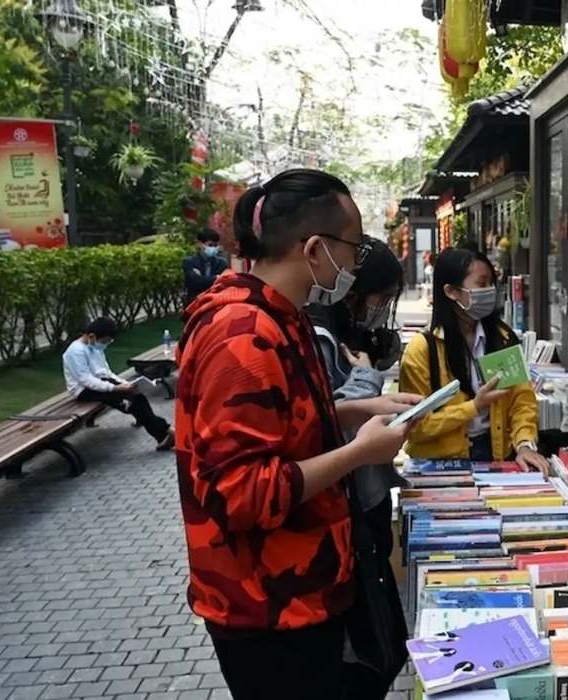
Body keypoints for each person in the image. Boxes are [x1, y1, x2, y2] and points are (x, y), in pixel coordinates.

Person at [174, 169, 421, 700]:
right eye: (354, 248)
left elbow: (287, 425)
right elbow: (242, 493)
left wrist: (357, 410)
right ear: (314, 249)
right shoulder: (242, 336)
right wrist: (358, 454)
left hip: (304, 590)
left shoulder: (283, 318)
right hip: (267, 607)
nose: (356, 265)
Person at [306, 238, 406, 700]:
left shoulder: (340, 330)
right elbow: (329, 422)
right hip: (347, 508)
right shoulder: (316, 334)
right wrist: (367, 379)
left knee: (383, 642)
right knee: (371, 649)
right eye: (379, 296)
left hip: (363, 500)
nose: (381, 308)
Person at [399, 247, 549, 471]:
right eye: (481, 284)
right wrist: (474, 407)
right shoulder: (423, 350)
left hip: (495, 454)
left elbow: (522, 401)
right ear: (451, 291)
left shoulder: (501, 338)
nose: (489, 290)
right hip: (438, 464)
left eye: (491, 283)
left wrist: (524, 444)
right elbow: (417, 426)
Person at [62, 317, 174, 451]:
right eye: (104, 341)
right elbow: (86, 380)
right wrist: (115, 388)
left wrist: (124, 383)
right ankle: (168, 431)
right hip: (84, 390)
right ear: (91, 336)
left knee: (138, 397)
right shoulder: (75, 352)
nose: (105, 345)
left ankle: (163, 435)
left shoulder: (95, 347)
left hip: (102, 384)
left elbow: (106, 372)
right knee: (133, 404)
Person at [183, 228, 229, 305]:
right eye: (210, 245)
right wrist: (216, 278)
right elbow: (195, 282)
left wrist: (202, 279)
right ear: (199, 244)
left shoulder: (222, 263)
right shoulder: (190, 262)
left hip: (216, 303)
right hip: (195, 304)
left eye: (215, 245)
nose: (213, 248)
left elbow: (223, 283)